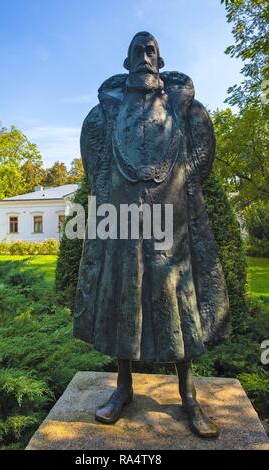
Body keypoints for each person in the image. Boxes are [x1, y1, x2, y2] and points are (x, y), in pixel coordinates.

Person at [73, 31, 230, 438]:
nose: (144, 56)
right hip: (122, 218)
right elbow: (95, 162)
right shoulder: (106, 110)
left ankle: (188, 396)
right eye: (137, 51)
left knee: (177, 294)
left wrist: (180, 186)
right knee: (126, 292)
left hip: (171, 218)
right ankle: (123, 388)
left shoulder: (183, 106)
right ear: (127, 62)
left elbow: (202, 154)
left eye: (151, 50)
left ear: (159, 60)